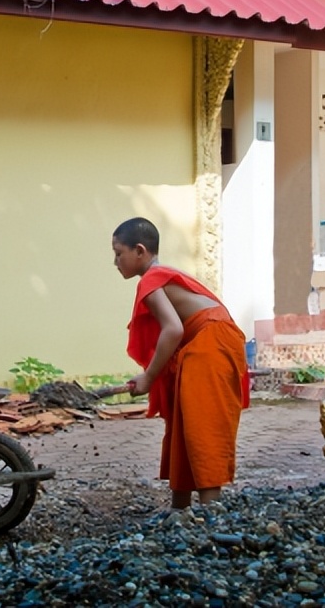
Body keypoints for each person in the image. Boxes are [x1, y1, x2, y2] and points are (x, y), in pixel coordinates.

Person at [112, 217, 249, 511]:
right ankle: (180, 510)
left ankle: (211, 513)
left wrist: (149, 377)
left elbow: (172, 329)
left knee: (202, 424)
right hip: (207, 342)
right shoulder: (162, 274)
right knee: (182, 425)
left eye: (118, 253)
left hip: (211, 342)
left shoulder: (150, 280)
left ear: (139, 251)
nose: (115, 262)